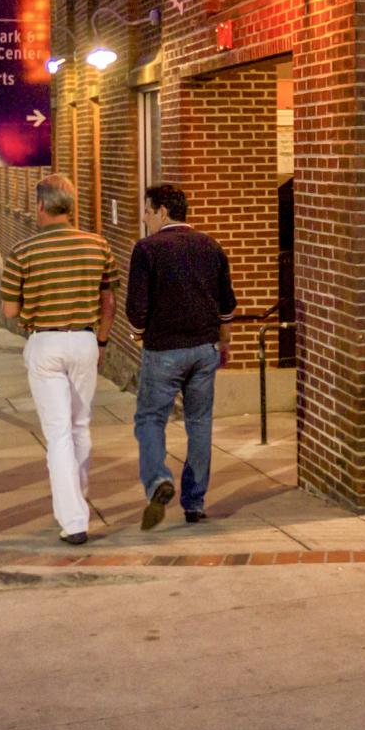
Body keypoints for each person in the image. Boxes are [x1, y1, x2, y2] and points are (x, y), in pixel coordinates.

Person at [0, 174, 116, 545]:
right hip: (85, 339)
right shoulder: (98, 246)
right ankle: (76, 499)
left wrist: (35, 303)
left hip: (45, 341)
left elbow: (10, 310)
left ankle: (74, 519)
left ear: (40, 206)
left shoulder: (23, 251)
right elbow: (108, 301)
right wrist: (101, 340)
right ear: (71, 206)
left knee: (58, 432)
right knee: (80, 425)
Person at [126, 183, 236, 529]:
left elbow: (136, 308)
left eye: (147, 211)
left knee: (150, 419)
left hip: (164, 350)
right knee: (199, 423)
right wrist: (223, 342)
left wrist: (138, 333)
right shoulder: (210, 246)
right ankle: (195, 502)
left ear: (162, 212)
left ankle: (158, 480)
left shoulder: (147, 249)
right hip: (205, 348)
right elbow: (227, 304)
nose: (144, 218)